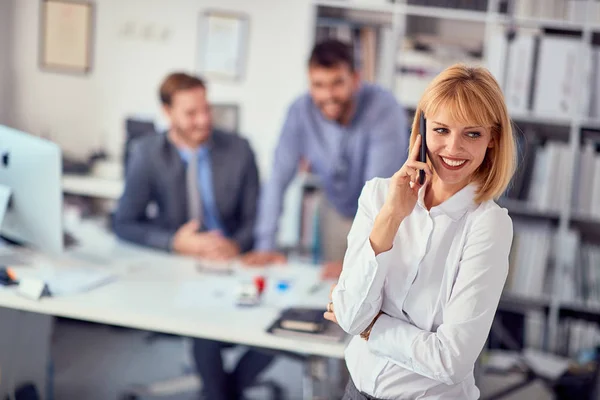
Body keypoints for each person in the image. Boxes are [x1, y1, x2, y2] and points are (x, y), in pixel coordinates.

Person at [324, 64, 517, 400]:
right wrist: (392, 216)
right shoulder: (378, 196)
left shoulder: (488, 225)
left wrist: (372, 326)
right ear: (421, 132)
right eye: (441, 130)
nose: (453, 148)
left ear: (492, 140)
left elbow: (452, 360)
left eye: (472, 133)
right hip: (354, 393)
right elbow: (351, 315)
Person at [113, 72, 272, 400]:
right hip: (183, 269)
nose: (203, 120)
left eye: (206, 109)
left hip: (237, 261)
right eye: (190, 113)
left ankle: (226, 388)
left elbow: (255, 217)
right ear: (167, 112)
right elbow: (124, 223)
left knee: (284, 326)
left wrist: (236, 244)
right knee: (205, 325)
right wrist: (175, 242)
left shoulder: (239, 150)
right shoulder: (146, 153)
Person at [242, 39, 409, 279]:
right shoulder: (299, 112)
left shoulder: (384, 108)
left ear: (356, 79)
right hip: (336, 208)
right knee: (332, 290)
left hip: (385, 213)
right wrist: (264, 247)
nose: (328, 95)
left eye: (337, 83)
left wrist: (360, 260)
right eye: (318, 85)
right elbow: (278, 179)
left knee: (372, 281)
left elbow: (378, 191)